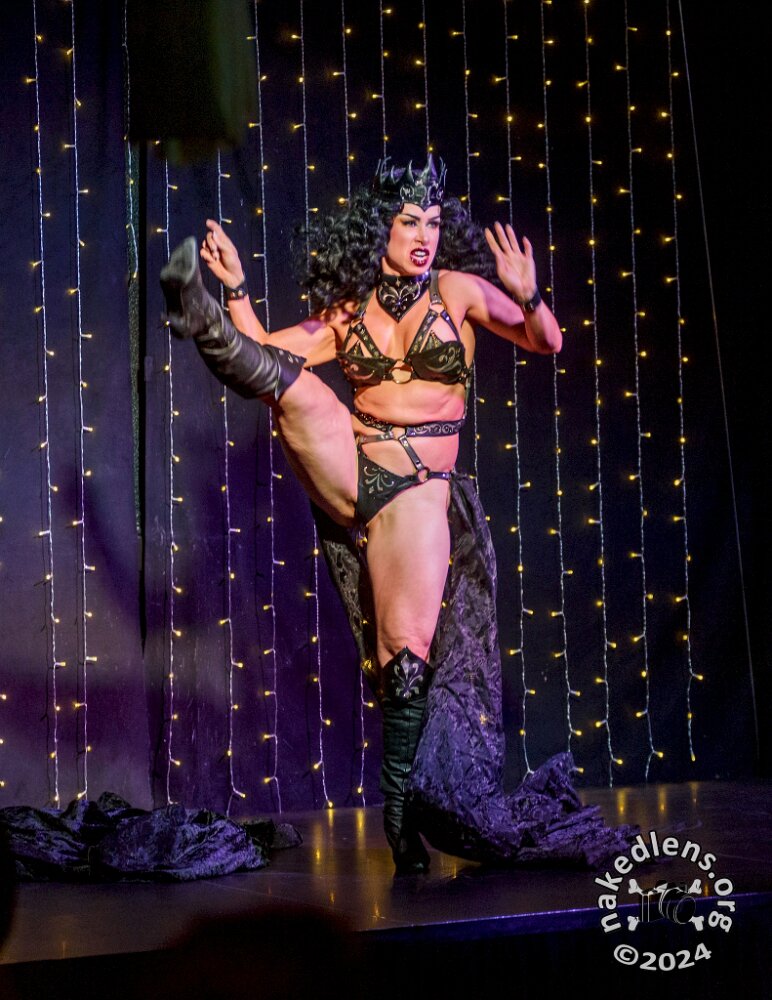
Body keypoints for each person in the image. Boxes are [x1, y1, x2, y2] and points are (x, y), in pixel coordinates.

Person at [161, 157, 638, 874]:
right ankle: (204, 321)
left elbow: (547, 340)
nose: (424, 236)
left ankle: (399, 819)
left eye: (433, 223)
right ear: (378, 228)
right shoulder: (348, 312)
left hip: (418, 489)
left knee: (402, 657)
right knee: (298, 393)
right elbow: (270, 354)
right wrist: (234, 292)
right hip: (354, 468)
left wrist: (530, 296)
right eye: (410, 221)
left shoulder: (458, 291)